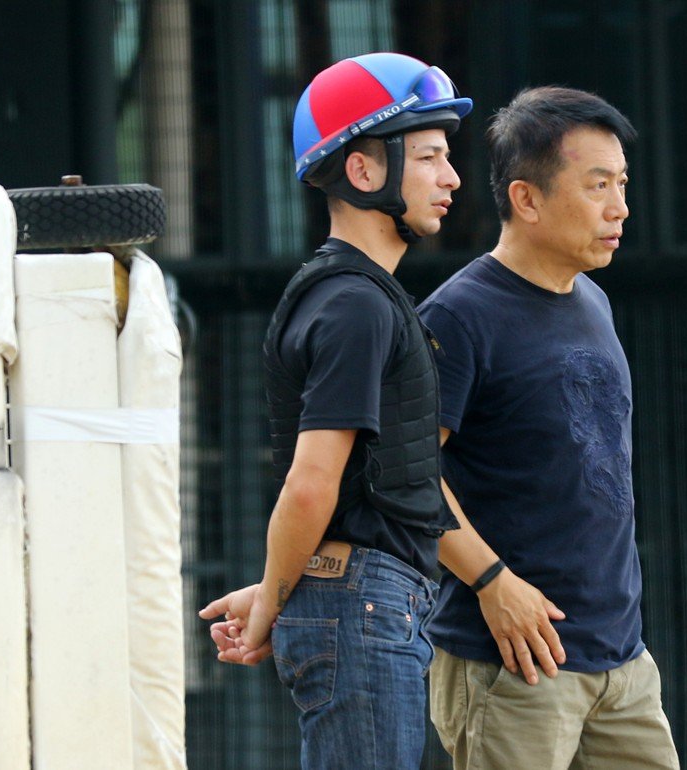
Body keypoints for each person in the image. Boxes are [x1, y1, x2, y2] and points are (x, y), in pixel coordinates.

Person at [197, 52, 470, 768]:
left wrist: (278, 588)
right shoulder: (354, 305)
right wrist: (274, 603)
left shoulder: (350, 297)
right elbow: (312, 482)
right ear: (363, 169)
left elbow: (352, 502)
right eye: (432, 156)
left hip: (369, 603)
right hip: (366, 613)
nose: (452, 178)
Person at [419, 86, 680, 770]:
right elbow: (401, 474)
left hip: (622, 661)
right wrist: (491, 583)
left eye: (621, 183)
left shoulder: (593, 298)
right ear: (527, 199)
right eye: (597, 186)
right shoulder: (457, 316)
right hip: (514, 665)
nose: (619, 207)